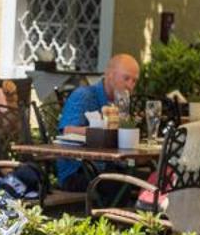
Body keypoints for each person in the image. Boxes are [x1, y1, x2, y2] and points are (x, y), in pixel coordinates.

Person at [57, 53, 141, 191]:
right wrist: (105, 130)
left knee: (150, 180)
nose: (130, 86)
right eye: (126, 78)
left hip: (108, 169)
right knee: (122, 186)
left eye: (134, 81)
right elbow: (68, 131)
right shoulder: (85, 95)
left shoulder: (120, 103)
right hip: (78, 172)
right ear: (109, 75)